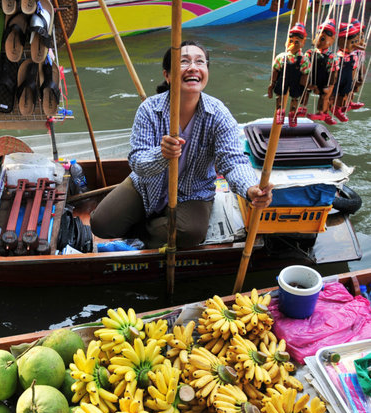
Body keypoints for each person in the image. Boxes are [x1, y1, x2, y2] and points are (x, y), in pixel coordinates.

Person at [90, 40, 273, 249]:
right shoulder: (149, 109)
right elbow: (137, 161)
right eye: (184, 62)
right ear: (167, 75)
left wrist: (251, 189)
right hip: (147, 186)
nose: (193, 67)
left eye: (199, 62)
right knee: (100, 224)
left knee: (190, 232)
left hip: (193, 193)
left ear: (206, 72)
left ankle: (145, 233)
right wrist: (162, 154)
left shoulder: (218, 114)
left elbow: (232, 160)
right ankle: (154, 227)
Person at [268, 23, 311, 127]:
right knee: (280, 96)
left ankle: (293, 115)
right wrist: (272, 84)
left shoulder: (304, 60)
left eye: (297, 42)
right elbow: (275, 70)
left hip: (296, 81)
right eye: (291, 41)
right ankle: (280, 113)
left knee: (295, 98)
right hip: (283, 80)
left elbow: (305, 74)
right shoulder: (282, 57)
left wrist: (305, 89)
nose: (293, 44)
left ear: (303, 42)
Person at [303, 18, 337, 124]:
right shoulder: (310, 53)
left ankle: (322, 112)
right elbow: (304, 65)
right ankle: (301, 108)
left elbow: (333, 72)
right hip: (312, 78)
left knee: (324, 96)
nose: (318, 40)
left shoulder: (331, 56)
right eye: (317, 37)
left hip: (324, 80)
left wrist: (330, 85)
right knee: (305, 91)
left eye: (322, 39)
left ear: (331, 40)